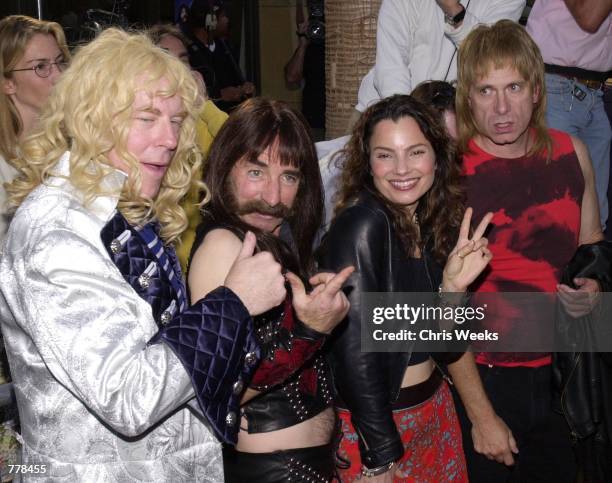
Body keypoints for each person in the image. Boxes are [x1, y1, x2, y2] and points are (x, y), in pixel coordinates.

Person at [0, 28, 289, 481]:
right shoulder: (55, 232)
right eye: (147, 118)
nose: (170, 139)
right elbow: (127, 397)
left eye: (176, 122)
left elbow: (163, 350)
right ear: (93, 119)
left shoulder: (117, 208)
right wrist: (233, 304)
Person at [318, 94, 516, 482]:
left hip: (433, 411)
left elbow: (441, 345)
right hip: (381, 430)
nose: (402, 169)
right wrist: (380, 457)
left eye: (416, 152)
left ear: (437, 157)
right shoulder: (361, 225)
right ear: (367, 162)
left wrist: (453, 288)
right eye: (385, 155)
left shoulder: (426, 222)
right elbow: (354, 353)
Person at [455, 19, 604, 482]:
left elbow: (593, 249)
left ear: (537, 90)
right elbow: (438, 307)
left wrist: (594, 287)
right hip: (482, 377)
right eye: (485, 90)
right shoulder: (450, 172)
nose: (501, 107)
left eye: (514, 86)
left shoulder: (571, 152)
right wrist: (481, 416)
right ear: (468, 97)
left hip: (563, 374)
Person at [187, 97, 352, 481]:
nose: (273, 197)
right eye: (257, 172)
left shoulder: (275, 240)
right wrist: (309, 330)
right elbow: (216, 391)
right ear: (225, 168)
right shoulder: (224, 247)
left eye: (289, 177)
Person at [353, 0, 525, 122]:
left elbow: (489, 59)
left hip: (460, 119)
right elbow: (391, 64)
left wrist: (454, 11)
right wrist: (409, 119)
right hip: (388, 109)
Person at [147, 23, 229, 270]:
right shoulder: (143, 128)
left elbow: (238, 146)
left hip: (204, 258)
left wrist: (204, 105)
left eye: (184, 60)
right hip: (160, 260)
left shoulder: (201, 119)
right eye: (167, 59)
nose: (179, 69)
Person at [526, 0, 611, 231]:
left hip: (594, 92)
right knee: (555, 213)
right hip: (555, 87)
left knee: (594, 219)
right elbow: (589, 17)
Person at [0, 15, 70, 241]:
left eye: (60, 62)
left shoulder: (73, 142)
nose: (59, 75)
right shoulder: (4, 163)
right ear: (7, 83)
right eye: (41, 67)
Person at [183, 0, 255, 113]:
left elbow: (235, 79)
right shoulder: (187, 51)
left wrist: (244, 87)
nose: (227, 20)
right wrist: (219, 95)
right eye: (223, 16)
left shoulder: (224, 47)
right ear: (210, 20)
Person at [284, 2, 326, 140]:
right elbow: (291, 78)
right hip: (314, 123)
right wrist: (303, 43)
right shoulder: (310, 42)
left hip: (341, 117)